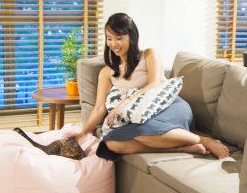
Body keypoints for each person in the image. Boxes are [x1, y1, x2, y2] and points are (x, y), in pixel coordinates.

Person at [68, 13, 230, 160]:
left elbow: (155, 83)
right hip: (141, 117)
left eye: (119, 38)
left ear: (131, 37)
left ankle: (204, 140)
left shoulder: (149, 55)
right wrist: (82, 133)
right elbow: (99, 108)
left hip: (169, 107)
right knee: (111, 144)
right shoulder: (107, 72)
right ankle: (185, 148)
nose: (114, 44)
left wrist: (124, 103)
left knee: (144, 133)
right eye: (109, 38)